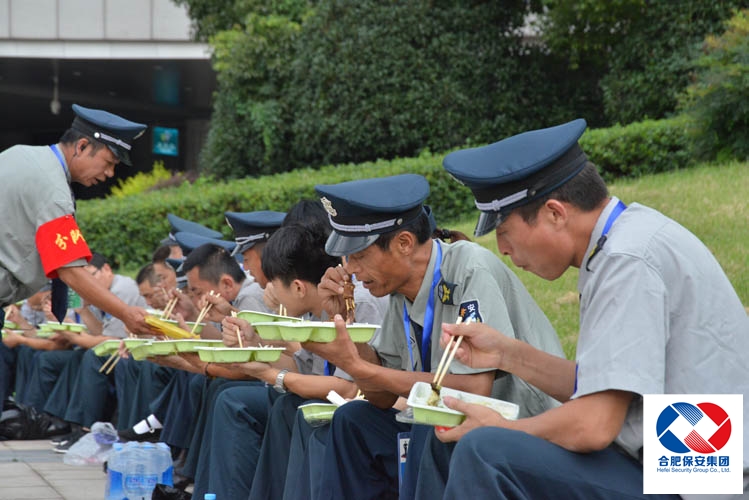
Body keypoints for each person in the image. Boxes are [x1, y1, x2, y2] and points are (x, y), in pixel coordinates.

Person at [434, 118, 749, 498]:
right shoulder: (626, 238)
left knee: (484, 451)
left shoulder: (627, 261)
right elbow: (604, 386)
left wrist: (498, 426)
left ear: (555, 213)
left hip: (695, 479)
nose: (502, 249)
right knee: (458, 437)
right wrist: (505, 353)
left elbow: (594, 425)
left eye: (504, 231)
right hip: (674, 460)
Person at [307, 174, 562, 499]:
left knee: (433, 426)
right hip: (456, 426)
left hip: (522, 428)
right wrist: (343, 322)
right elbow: (381, 396)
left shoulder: (470, 268)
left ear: (403, 243)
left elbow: (473, 390)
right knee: (353, 420)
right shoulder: (398, 291)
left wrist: (365, 370)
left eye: (358, 255)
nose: (351, 270)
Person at [0, 104, 151, 335]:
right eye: (108, 162)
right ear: (81, 146)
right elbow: (69, 269)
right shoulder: (53, 190)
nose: (110, 173)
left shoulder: (19, 154)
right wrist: (126, 313)